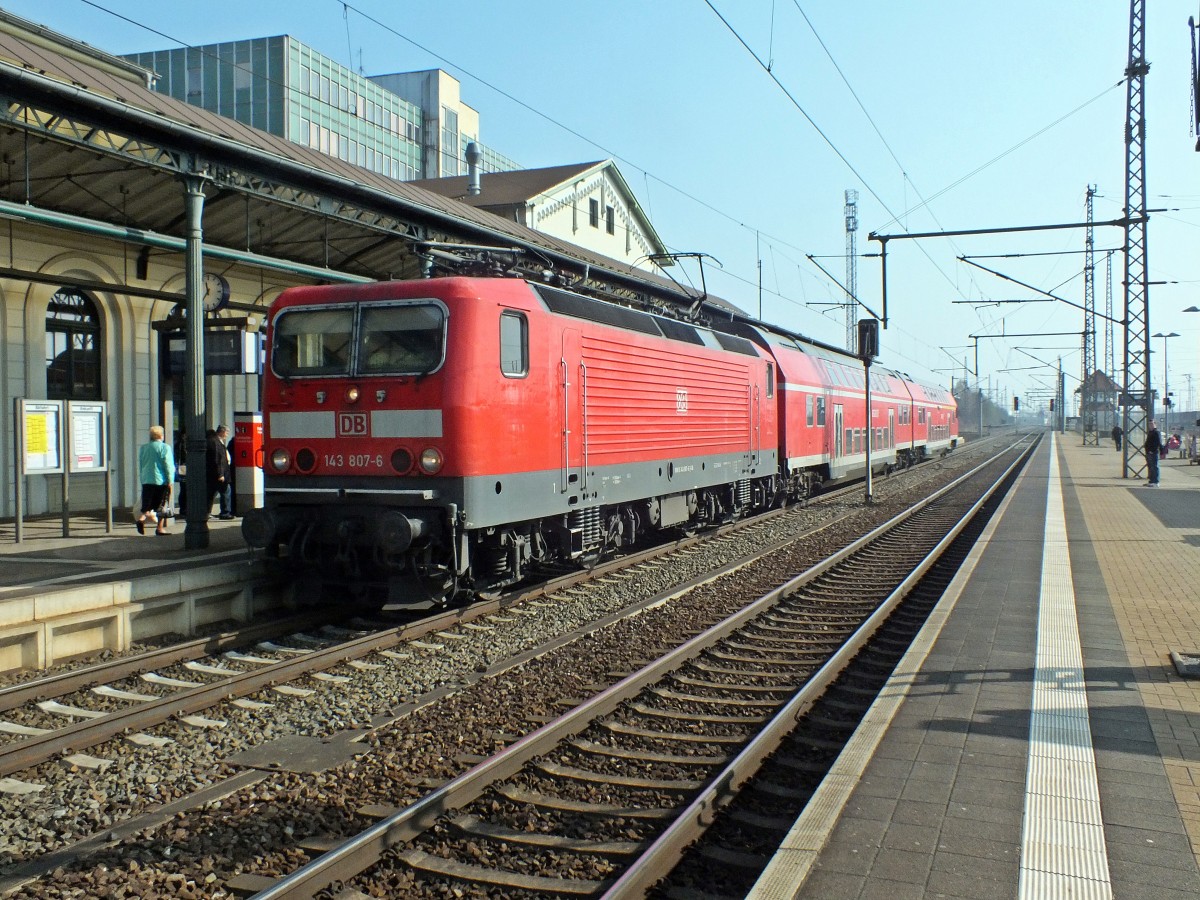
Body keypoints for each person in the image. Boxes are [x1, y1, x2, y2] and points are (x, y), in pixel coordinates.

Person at [135, 425, 175, 535]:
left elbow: (141, 463)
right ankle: (160, 528)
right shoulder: (164, 447)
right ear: (161, 435)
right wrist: (170, 480)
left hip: (147, 479)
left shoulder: (144, 447)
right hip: (160, 480)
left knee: (147, 503)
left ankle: (142, 518)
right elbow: (168, 465)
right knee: (161, 506)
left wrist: (142, 478)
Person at [205, 427, 232, 519]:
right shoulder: (215, 442)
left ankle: (207, 511)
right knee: (226, 491)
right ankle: (225, 512)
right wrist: (220, 474)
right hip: (218, 474)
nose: (227, 434)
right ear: (222, 432)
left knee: (211, 493)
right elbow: (218, 459)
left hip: (214, 473)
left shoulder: (215, 441)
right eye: (227, 432)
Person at [1144, 419, 1162, 486]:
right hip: (1149, 452)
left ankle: (1156, 481)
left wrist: (1153, 450)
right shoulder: (1150, 432)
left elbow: (1158, 442)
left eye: (1152, 424)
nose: (1150, 425)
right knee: (1150, 467)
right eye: (1149, 424)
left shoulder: (1156, 432)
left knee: (1155, 466)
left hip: (1153, 452)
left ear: (1155, 424)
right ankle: (1151, 481)